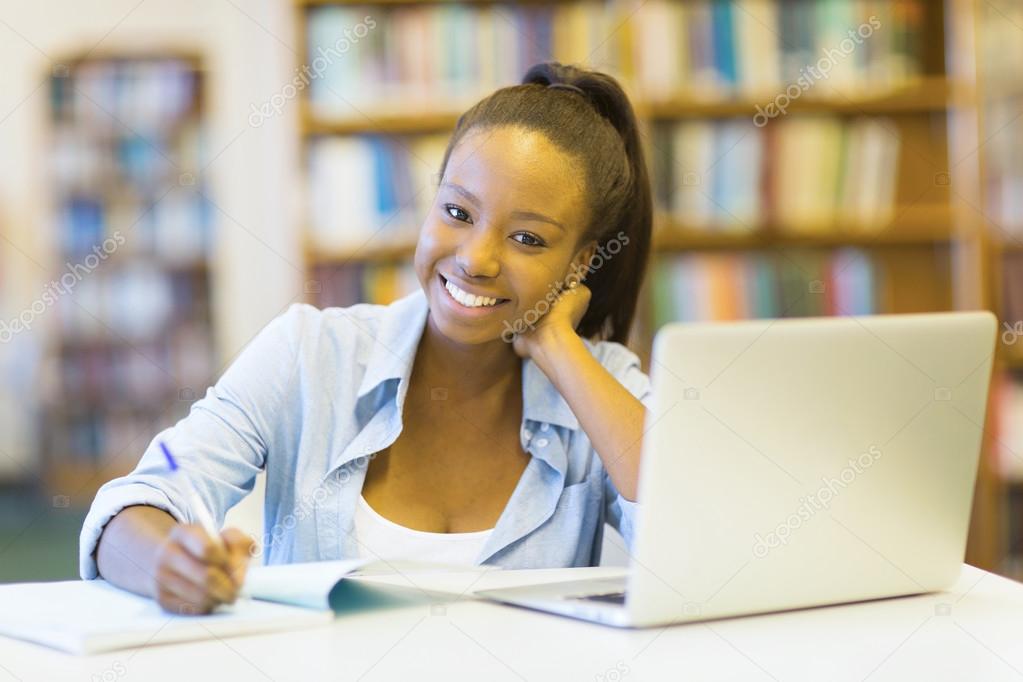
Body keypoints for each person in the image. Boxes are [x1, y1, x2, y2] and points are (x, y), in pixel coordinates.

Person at [80, 62, 654, 614]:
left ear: (581, 261)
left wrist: (557, 344)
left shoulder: (603, 386)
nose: (476, 259)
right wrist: (167, 563)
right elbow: (142, 498)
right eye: (457, 211)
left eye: (528, 239)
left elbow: (693, 531)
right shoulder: (309, 351)